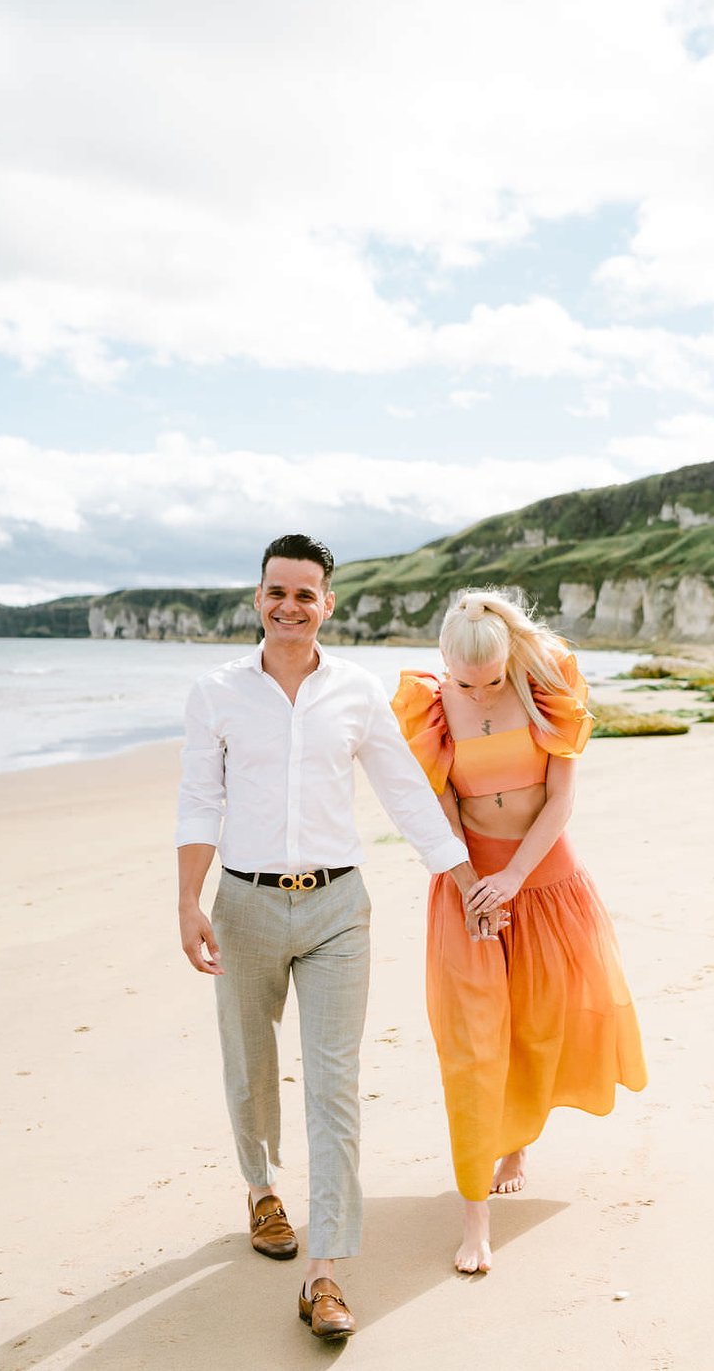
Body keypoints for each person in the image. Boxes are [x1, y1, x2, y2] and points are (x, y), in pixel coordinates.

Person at [175, 534, 497, 1339]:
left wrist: (462, 879)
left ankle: (324, 1273)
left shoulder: (354, 692)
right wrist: (189, 901)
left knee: (334, 1085)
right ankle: (261, 1190)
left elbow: (405, 791)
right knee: (249, 1066)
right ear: (258, 599)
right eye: (277, 592)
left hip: (336, 910)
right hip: (244, 903)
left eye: (306, 594)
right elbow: (197, 801)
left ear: (328, 604)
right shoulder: (216, 692)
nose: (290, 606)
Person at [392, 589, 648, 1273]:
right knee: (473, 1043)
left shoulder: (550, 681)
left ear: (511, 658)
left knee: (540, 1024)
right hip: (468, 885)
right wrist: (473, 883)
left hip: (545, 880)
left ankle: (518, 1140)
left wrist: (514, 879)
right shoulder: (427, 702)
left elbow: (561, 799)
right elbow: (440, 805)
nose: (478, 694)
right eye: (464, 681)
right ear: (444, 662)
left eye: (493, 680)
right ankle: (475, 1215)